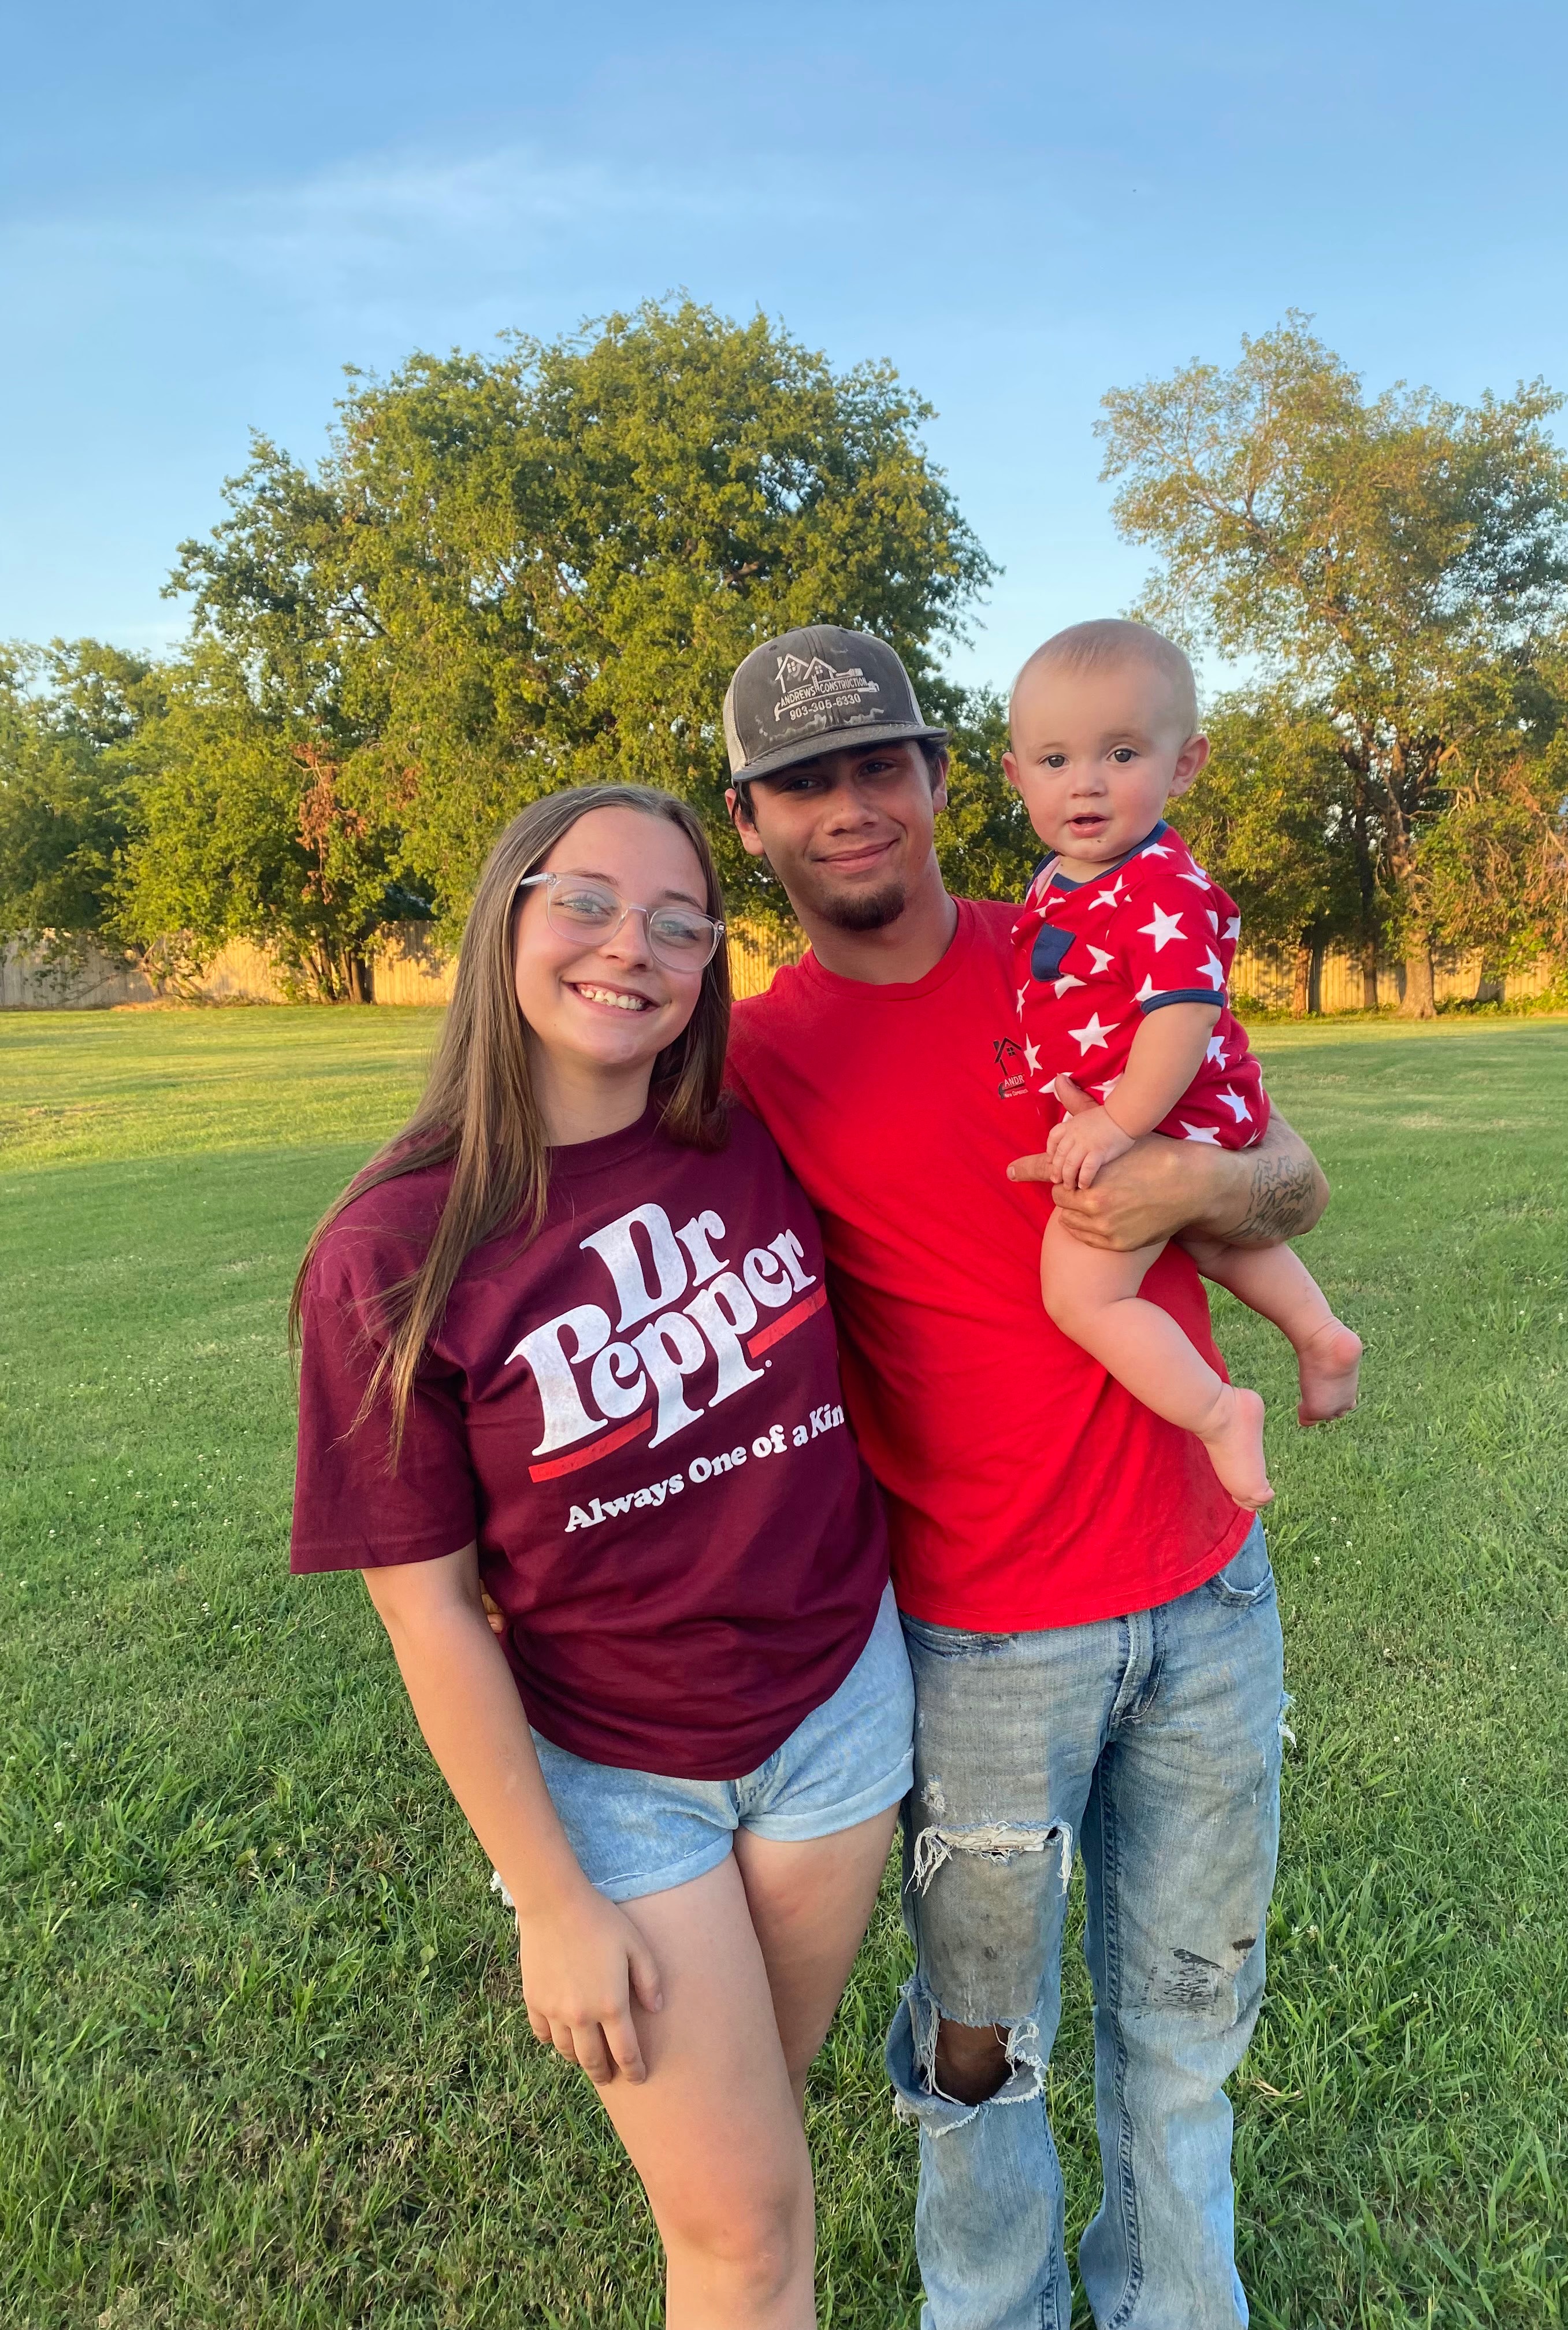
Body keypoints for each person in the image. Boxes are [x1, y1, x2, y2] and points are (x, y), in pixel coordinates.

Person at [721, 624, 1332, 2329]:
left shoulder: (1087, 927)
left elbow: (1290, 1176)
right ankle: (991, 2314)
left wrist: (1195, 1188)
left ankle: (1174, 2306)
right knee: (981, 2051)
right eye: (803, 784)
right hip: (982, 1638)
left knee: (1191, 2014)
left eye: (879, 766)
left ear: (939, 782)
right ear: (751, 822)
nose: (850, 807)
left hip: (1206, 1585)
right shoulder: (750, 1064)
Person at [288, 782, 911, 2330]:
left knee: (758, 2147)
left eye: (680, 924)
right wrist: (551, 1898)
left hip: (839, 1716)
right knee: (745, 2237)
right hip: (621, 1779)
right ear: (506, 916)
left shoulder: (753, 1134)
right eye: (585, 902)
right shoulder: (390, 1252)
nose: (631, 946)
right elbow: (431, 1615)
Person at [1006, 618, 1363, 1512]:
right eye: (1054, 760)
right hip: (1183, 1109)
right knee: (1211, 1235)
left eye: (1122, 753)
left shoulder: (1159, 885)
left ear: (1185, 765)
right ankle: (1320, 1334)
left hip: (1170, 1108)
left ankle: (1218, 1413)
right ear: (1016, 777)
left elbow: (1183, 1017)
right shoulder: (1061, 878)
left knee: (1080, 1294)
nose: (1086, 782)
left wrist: (1116, 1125)